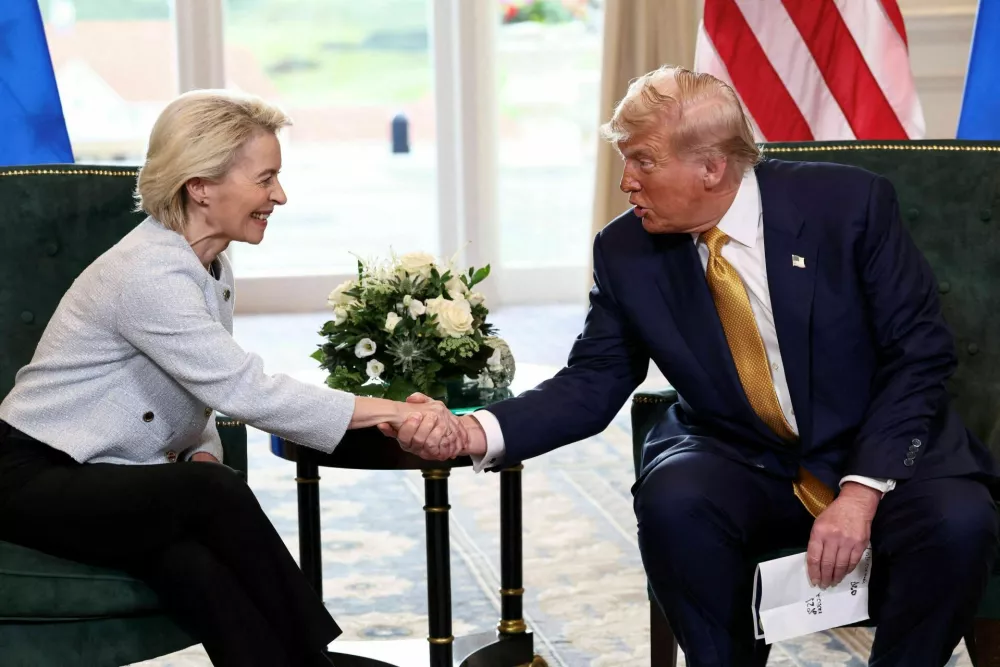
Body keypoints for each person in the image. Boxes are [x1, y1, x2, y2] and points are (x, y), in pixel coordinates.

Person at [383, 66, 1000, 666]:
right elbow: (594, 380)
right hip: (739, 451)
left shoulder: (848, 206)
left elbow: (918, 355)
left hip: (875, 444)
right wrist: (474, 429)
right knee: (676, 498)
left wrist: (861, 494)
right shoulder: (625, 249)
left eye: (642, 161)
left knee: (958, 521)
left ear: (712, 167)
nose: (626, 182)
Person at [0, 90, 463, 667]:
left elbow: (195, 385)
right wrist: (391, 409)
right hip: (31, 477)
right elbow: (242, 389)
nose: (280, 195)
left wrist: (202, 450)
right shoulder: (149, 272)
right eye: (265, 178)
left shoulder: (207, 262)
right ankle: (314, 658)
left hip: (109, 476)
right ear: (200, 185)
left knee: (186, 560)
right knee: (211, 494)